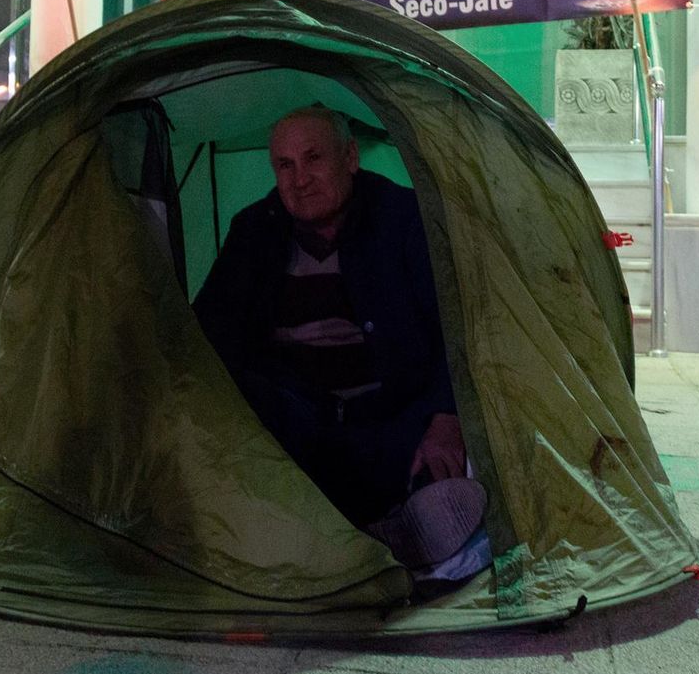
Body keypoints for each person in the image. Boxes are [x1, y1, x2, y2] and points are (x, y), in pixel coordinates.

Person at [193, 104, 483, 568]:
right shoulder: (254, 230)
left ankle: (360, 537)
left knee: (444, 469)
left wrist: (447, 417)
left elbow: (458, 329)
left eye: (314, 159)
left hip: (388, 415)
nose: (299, 179)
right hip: (295, 419)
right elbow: (207, 333)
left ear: (350, 158)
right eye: (284, 165)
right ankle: (375, 536)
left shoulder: (406, 220)